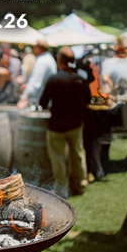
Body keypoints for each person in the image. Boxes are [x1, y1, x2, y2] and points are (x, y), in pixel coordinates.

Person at [39, 47, 91, 197]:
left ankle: (62, 190)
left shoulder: (54, 79)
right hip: (76, 125)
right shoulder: (79, 79)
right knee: (78, 155)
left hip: (56, 126)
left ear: (59, 60)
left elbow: (43, 103)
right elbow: (88, 100)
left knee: (57, 158)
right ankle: (80, 186)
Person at [18, 39, 56, 109]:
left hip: (40, 102)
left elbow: (36, 80)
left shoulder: (41, 61)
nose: (34, 49)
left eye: (34, 47)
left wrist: (25, 96)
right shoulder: (50, 59)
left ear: (39, 48)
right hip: (48, 100)